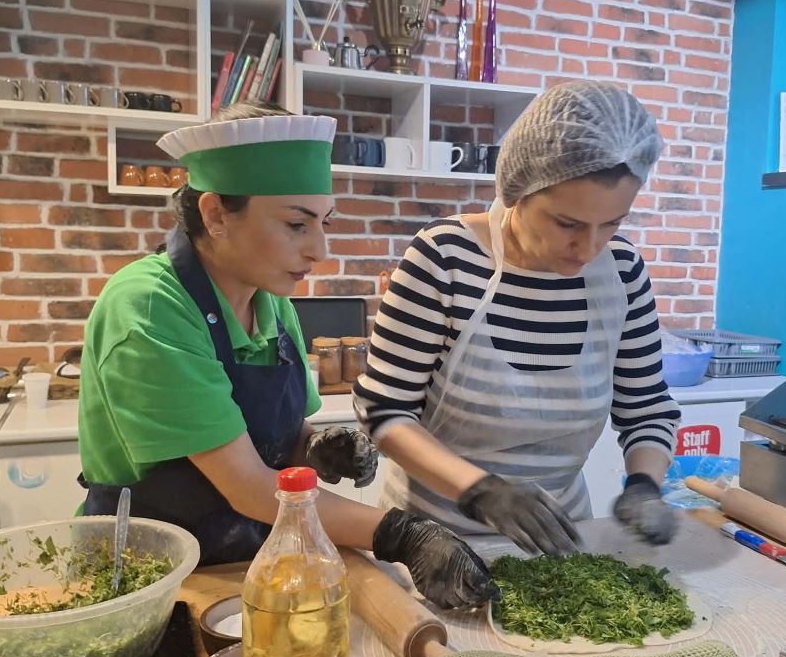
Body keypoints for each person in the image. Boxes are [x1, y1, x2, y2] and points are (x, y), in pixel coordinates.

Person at [78, 102, 496, 609]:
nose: (320, 248)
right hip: (153, 580)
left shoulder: (271, 301)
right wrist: (402, 536)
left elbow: (276, 440)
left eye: (325, 223)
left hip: (250, 564)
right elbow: (249, 486)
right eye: (297, 224)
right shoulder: (149, 308)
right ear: (215, 215)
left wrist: (312, 446)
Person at [353, 81, 681, 556]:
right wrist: (480, 491)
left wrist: (645, 485)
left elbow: (646, 407)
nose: (589, 247)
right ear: (517, 190)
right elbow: (384, 411)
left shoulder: (622, 272)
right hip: (434, 546)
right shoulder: (446, 258)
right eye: (567, 223)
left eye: (612, 223)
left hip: (562, 542)